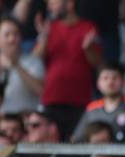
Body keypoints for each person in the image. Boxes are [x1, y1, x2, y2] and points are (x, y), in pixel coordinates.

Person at [35, 0, 101, 137]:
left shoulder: (88, 27)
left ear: (70, 4)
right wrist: (43, 37)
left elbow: (97, 62)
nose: (49, 7)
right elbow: (35, 59)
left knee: (75, 145)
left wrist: (88, 49)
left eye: (54, 3)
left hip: (80, 100)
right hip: (52, 98)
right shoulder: (49, 28)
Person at [72, 63, 125, 141]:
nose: (110, 82)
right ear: (98, 84)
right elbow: (77, 138)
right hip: (96, 152)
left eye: (115, 78)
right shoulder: (92, 108)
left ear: (123, 82)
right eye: (105, 78)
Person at [0, 17, 44, 115]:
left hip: (25, 124)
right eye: (7, 35)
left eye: (16, 34)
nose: (12, 39)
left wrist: (16, 65)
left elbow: (41, 91)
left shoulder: (33, 62)